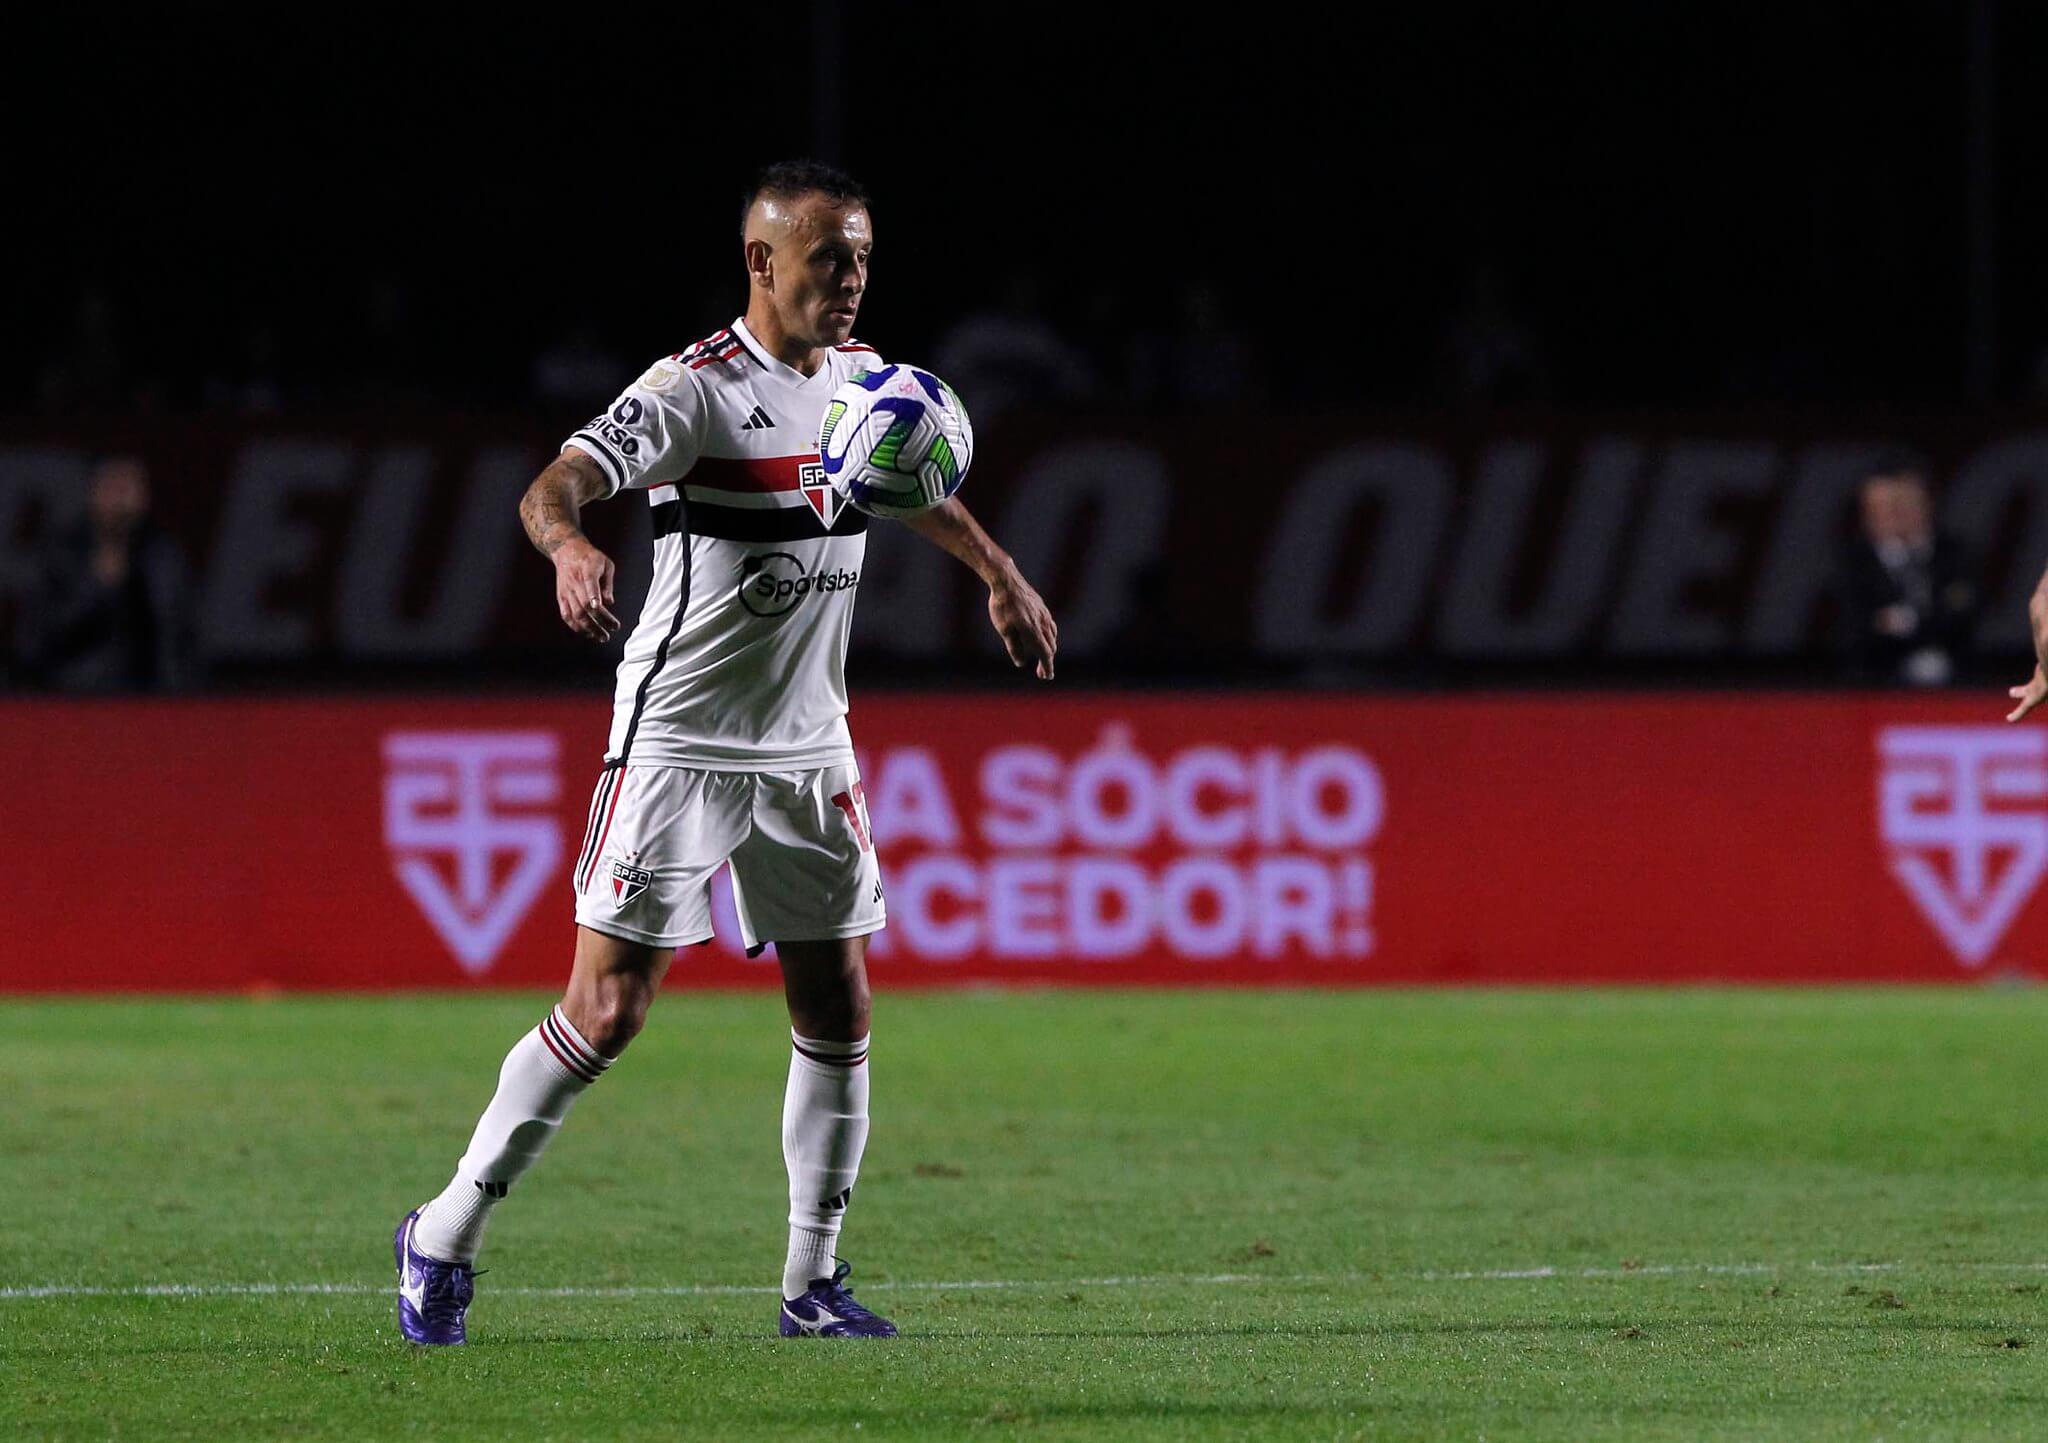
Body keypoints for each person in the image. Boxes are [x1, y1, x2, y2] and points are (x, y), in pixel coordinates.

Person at [395, 161, 1058, 1345]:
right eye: (826, 261)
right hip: (678, 745)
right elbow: (555, 483)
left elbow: (908, 486)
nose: (849, 282)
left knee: (838, 1003)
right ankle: (443, 1231)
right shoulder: (692, 393)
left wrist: (998, 574)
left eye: (860, 259)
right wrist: (569, 548)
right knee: (606, 1013)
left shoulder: (867, 388)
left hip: (808, 752)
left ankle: (813, 1281)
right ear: (762, 263)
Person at [20, 455, 197, 691]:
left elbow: (184, 640)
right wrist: (97, 587)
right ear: (92, 492)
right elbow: (34, 642)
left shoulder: (165, 558)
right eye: (112, 486)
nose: (120, 498)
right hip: (73, 701)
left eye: (128, 487)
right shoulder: (59, 556)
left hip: (153, 703)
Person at [1833, 458, 1978, 686]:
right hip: (1874, 688)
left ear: (1928, 503)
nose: (1893, 516)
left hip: (1962, 688)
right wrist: (1928, 620)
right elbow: (1854, 630)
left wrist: (1905, 622)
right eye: (1880, 508)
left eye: (1903, 505)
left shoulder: (1957, 555)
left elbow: (1966, 615)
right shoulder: (1850, 564)